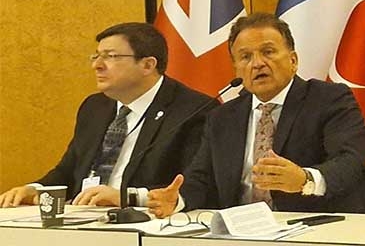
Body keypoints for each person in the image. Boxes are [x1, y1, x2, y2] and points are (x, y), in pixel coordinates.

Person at [146, 13, 365, 217]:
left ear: (293, 60)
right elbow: (201, 178)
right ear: (236, 69)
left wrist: (305, 180)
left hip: (317, 226)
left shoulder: (328, 99)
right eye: (245, 57)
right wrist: (179, 199)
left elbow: (349, 160)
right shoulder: (222, 117)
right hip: (242, 230)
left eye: (268, 52)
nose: (257, 63)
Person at [0, 23, 215, 208]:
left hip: (147, 222)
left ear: (148, 65)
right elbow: (69, 170)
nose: (97, 65)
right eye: (96, 56)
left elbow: (193, 185)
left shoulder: (194, 110)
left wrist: (126, 197)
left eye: (110, 57)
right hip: (86, 217)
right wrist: (36, 189)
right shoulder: (95, 107)